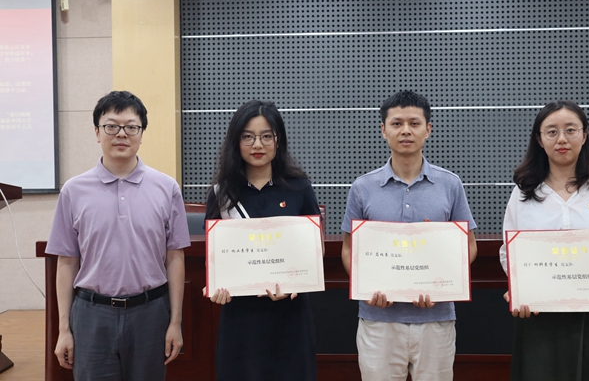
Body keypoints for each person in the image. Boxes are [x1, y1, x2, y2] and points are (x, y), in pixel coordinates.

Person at [45, 91, 191, 380]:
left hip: (150, 313)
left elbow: (175, 257)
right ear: (97, 132)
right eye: (111, 126)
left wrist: (175, 322)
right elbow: (67, 261)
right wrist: (63, 329)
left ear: (141, 133)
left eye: (131, 127)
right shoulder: (74, 190)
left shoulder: (166, 188)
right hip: (92, 314)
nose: (121, 134)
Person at [500, 100, 589, 381]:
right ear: (539, 139)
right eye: (552, 132)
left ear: (585, 134)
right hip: (539, 312)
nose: (562, 139)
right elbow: (510, 251)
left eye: (570, 130)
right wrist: (519, 287)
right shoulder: (523, 192)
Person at [341, 90, 478, 381]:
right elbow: (349, 249)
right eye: (397, 123)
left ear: (428, 129)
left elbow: (468, 245)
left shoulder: (450, 184)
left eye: (414, 123)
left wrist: (442, 284)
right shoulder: (362, 187)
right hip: (378, 319)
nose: (406, 130)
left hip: (436, 317)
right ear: (383, 130)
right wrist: (367, 287)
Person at [205, 100, 321, 381]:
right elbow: (214, 258)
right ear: (236, 141)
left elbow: (312, 252)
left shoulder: (299, 188)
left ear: (278, 141)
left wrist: (295, 283)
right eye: (248, 136)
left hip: (290, 317)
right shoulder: (222, 194)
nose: (257, 144)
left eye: (266, 136)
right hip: (241, 319)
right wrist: (214, 285)